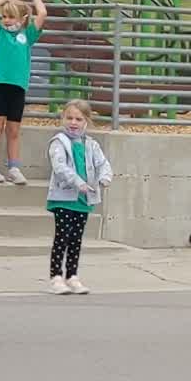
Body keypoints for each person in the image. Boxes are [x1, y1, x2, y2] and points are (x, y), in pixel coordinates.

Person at [45, 99, 112, 295]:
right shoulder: (58, 142)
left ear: (86, 121)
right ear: (63, 118)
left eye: (78, 119)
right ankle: (56, 276)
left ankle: (72, 276)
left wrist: (105, 178)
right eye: (69, 118)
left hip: (84, 199)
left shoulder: (91, 144)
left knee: (76, 238)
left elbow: (103, 164)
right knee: (62, 237)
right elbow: (59, 167)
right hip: (64, 198)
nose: (73, 123)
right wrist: (77, 182)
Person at [0, 0, 47, 185]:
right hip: (0, 86)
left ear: (22, 18)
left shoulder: (28, 35)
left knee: (13, 130)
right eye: (5, 16)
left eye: (11, 16)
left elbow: (42, 14)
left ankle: (14, 167)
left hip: (18, 88)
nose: (7, 20)